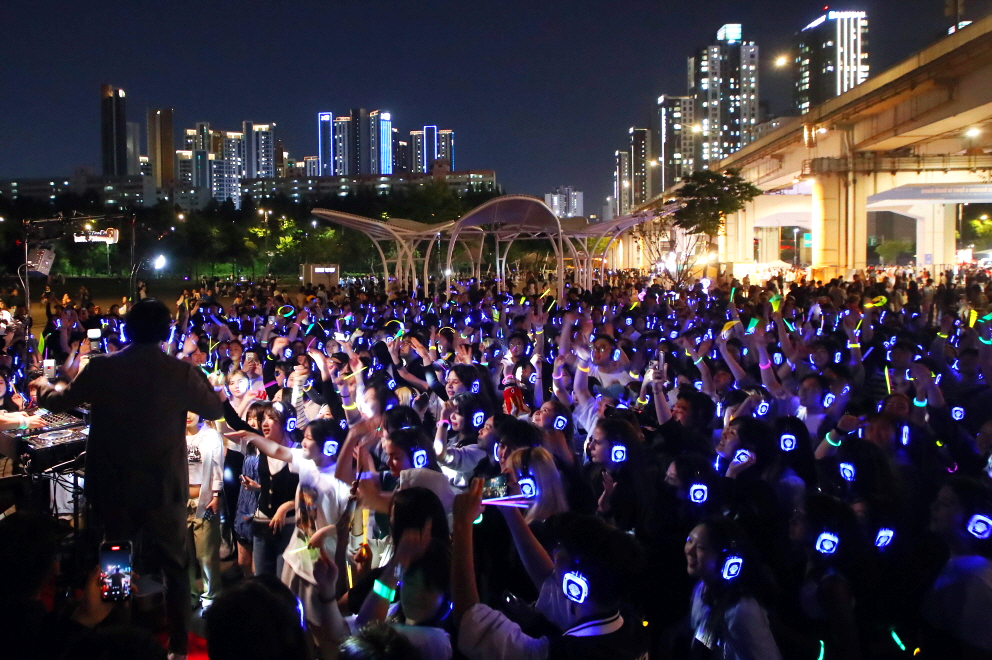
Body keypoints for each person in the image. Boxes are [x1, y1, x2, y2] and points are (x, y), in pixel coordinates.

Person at [30, 298, 224, 660]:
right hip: (163, 488)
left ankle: (118, 636)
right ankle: (179, 649)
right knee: (175, 566)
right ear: (166, 330)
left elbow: (59, 402)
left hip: (114, 486)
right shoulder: (179, 372)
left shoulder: (103, 368)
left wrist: (45, 384)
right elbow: (214, 409)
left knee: (115, 558)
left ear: (127, 329)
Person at [185, 412, 224, 610]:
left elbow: (217, 468)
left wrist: (216, 495)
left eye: (193, 409)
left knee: (206, 554)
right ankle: (190, 595)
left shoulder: (211, 436)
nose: (188, 415)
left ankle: (211, 597)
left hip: (204, 501)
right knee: (185, 554)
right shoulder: (174, 434)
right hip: (180, 502)